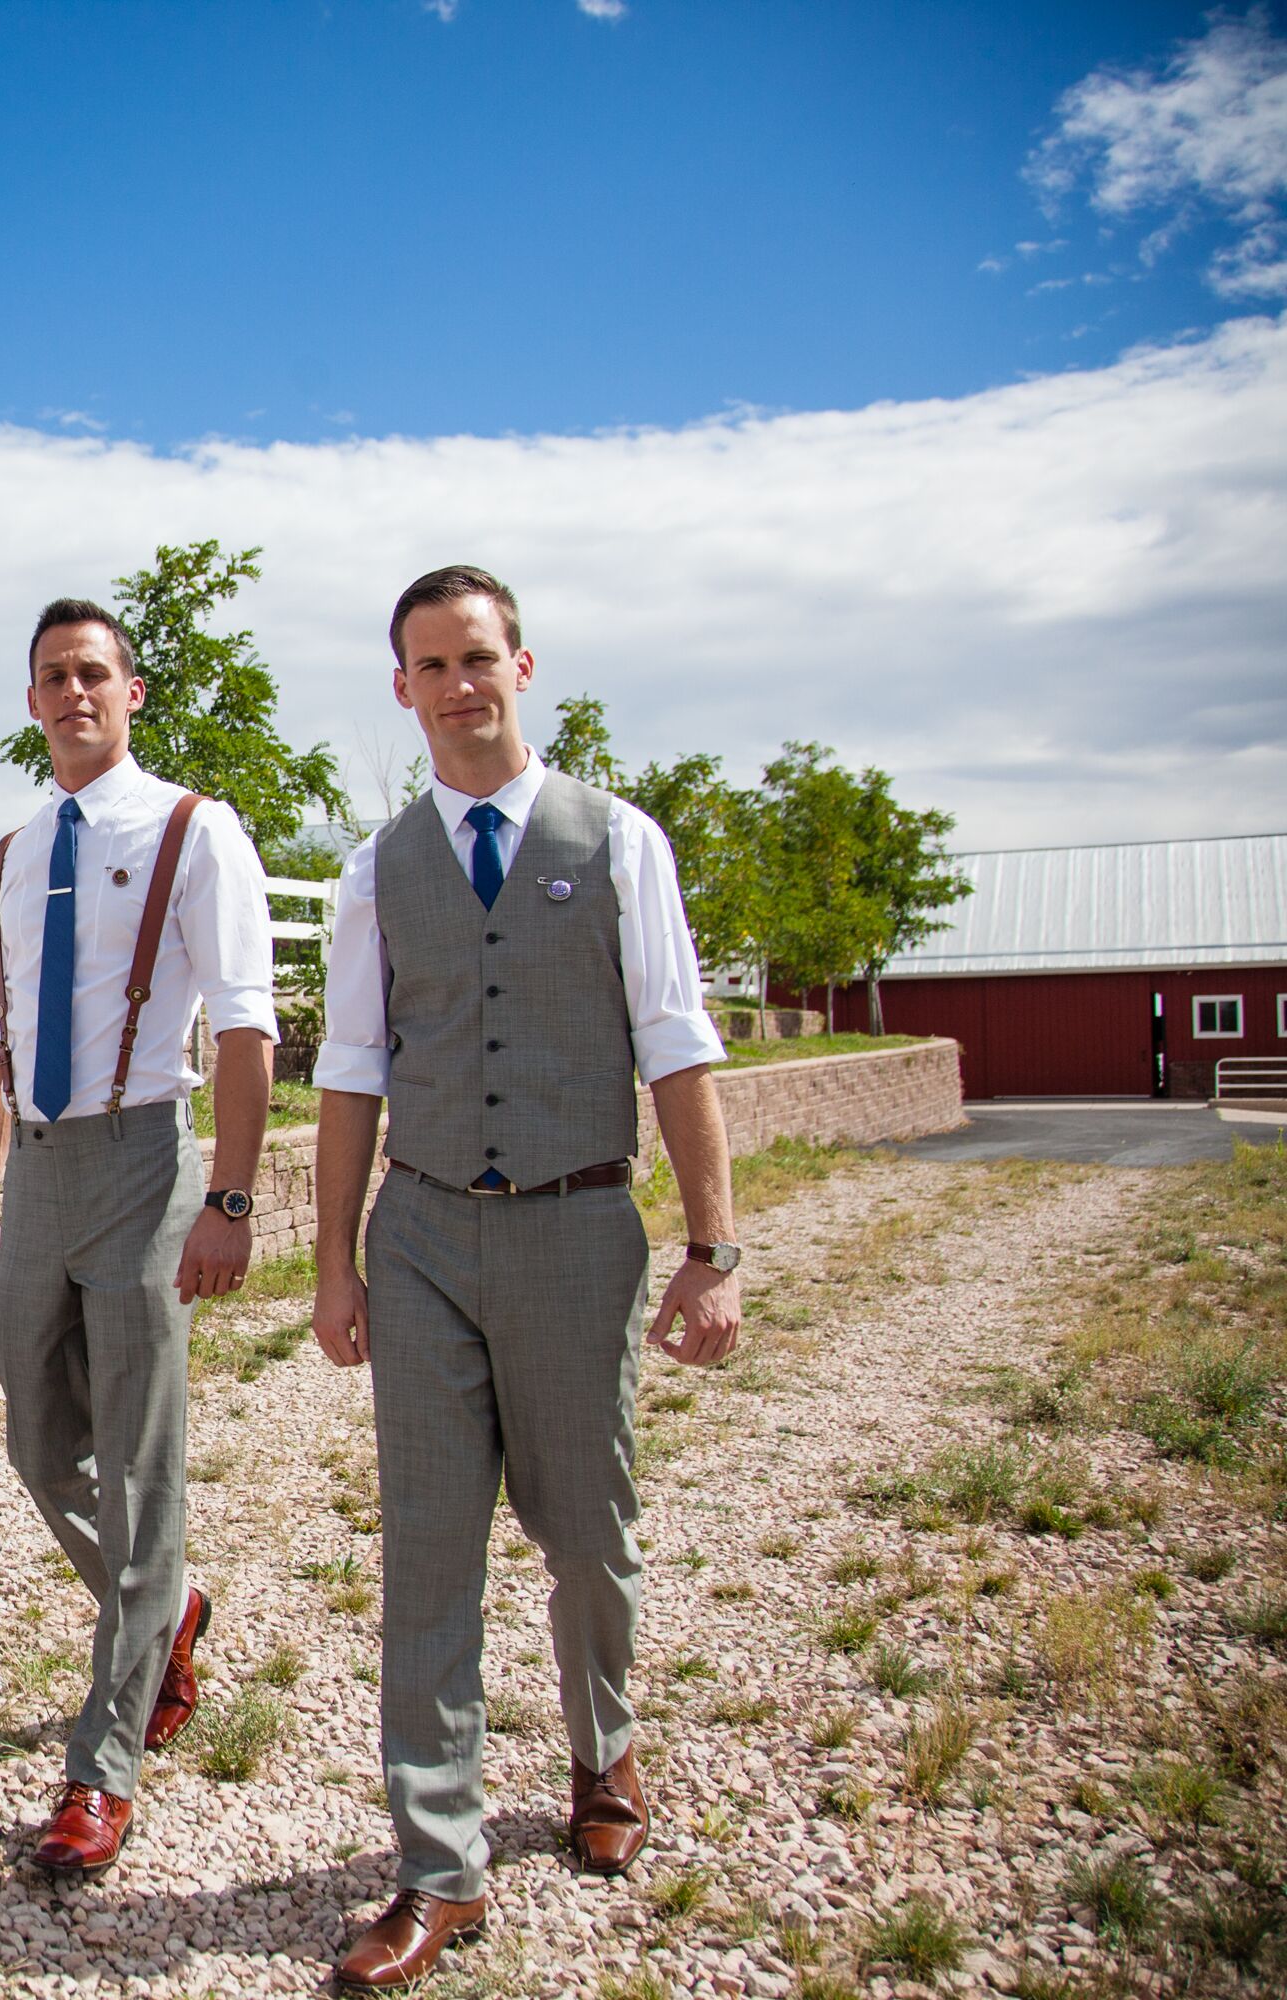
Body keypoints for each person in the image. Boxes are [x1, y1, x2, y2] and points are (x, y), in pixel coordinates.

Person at [309, 567, 744, 1989]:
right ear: (402, 687)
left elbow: (676, 1045)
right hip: (423, 1232)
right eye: (431, 665)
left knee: (585, 1526)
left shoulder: (617, 840)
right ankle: (439, 1868)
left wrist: (711, 1251)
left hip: (577, 1224)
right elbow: (354, 1070)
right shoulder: (378, 872)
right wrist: (334, 1259)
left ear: (523, 665)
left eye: (480, 658)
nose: (460, 686)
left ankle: (601, 1748)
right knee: (428, 1551)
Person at [0, 599, 278, 1881]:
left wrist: (233, 1201)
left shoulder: (196, 830)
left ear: (130, 692)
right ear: (32, 701)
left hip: (147, 1159)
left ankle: (105, 1764)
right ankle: (168, 1607)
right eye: (52, 677)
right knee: (41, 1444)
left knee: (142, 1471)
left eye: (94, 672)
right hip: (37, 1171)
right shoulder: (14, 850)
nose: (74, 692)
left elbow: (248, 1029)